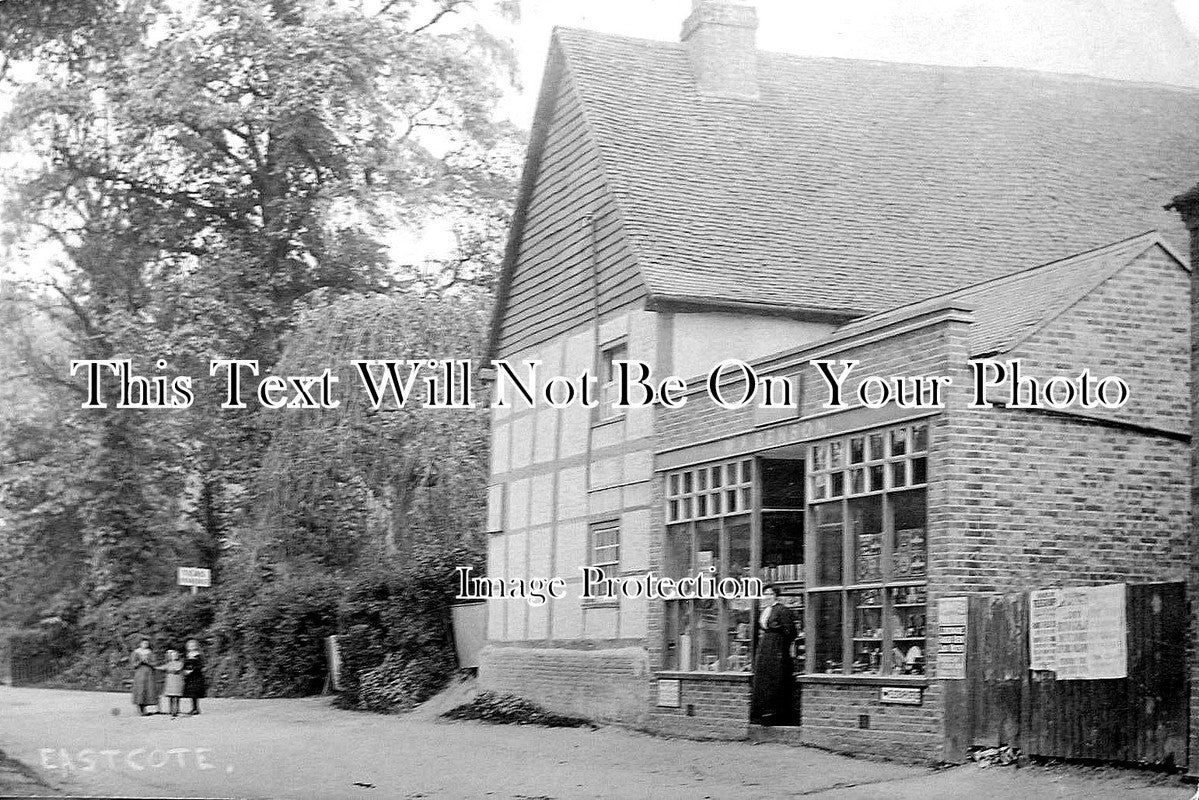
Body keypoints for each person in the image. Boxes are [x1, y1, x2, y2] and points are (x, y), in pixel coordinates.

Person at [750, 584, 798, 726]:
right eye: (765, 594)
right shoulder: (765, 610)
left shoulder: (782, 610)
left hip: (777, 649)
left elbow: (791, 632)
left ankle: (774, 715)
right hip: (765, 648)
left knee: (774, 679)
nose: (767, 597)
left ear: (776, 595)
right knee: (763, 679)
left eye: (770, 594)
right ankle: (761, 713)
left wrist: (781, 645)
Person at [129, 638, 158, 716]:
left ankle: (145, 708)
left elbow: (155, 663)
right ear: (140, 644)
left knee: (147, 690)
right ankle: (140, 709)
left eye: (146, 643)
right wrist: (140, 662)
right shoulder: (136, 652)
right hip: (140, 673)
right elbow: (132, 664)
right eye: (144, 643)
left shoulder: (150, 652)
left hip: (148, 673)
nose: (145, 645)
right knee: (140, 690)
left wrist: (148, 662)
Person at [182, 638, 207, 715]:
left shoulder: (198, 655)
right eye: (190, 645)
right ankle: (193, 708)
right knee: (191, 692)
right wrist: (185, 670)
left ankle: (196, 708)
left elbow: (201, 665)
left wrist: (192, 670)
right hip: (190, 677)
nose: (191, 647)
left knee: (195, 692)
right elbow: (185, 664)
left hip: (196, 675)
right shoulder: (187, 655)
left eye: (192, 645)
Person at [158, 649, 185, 718]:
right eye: (173, 655)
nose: (174, 656)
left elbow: (177, 669)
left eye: (175, 655)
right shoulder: (168, 663)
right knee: (171, 696)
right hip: (170, 681)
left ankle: (176, 710)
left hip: (177, 681)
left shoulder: (180, 663)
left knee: (176, 696)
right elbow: (162, 667)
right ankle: (171, 710)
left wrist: (169, 670)